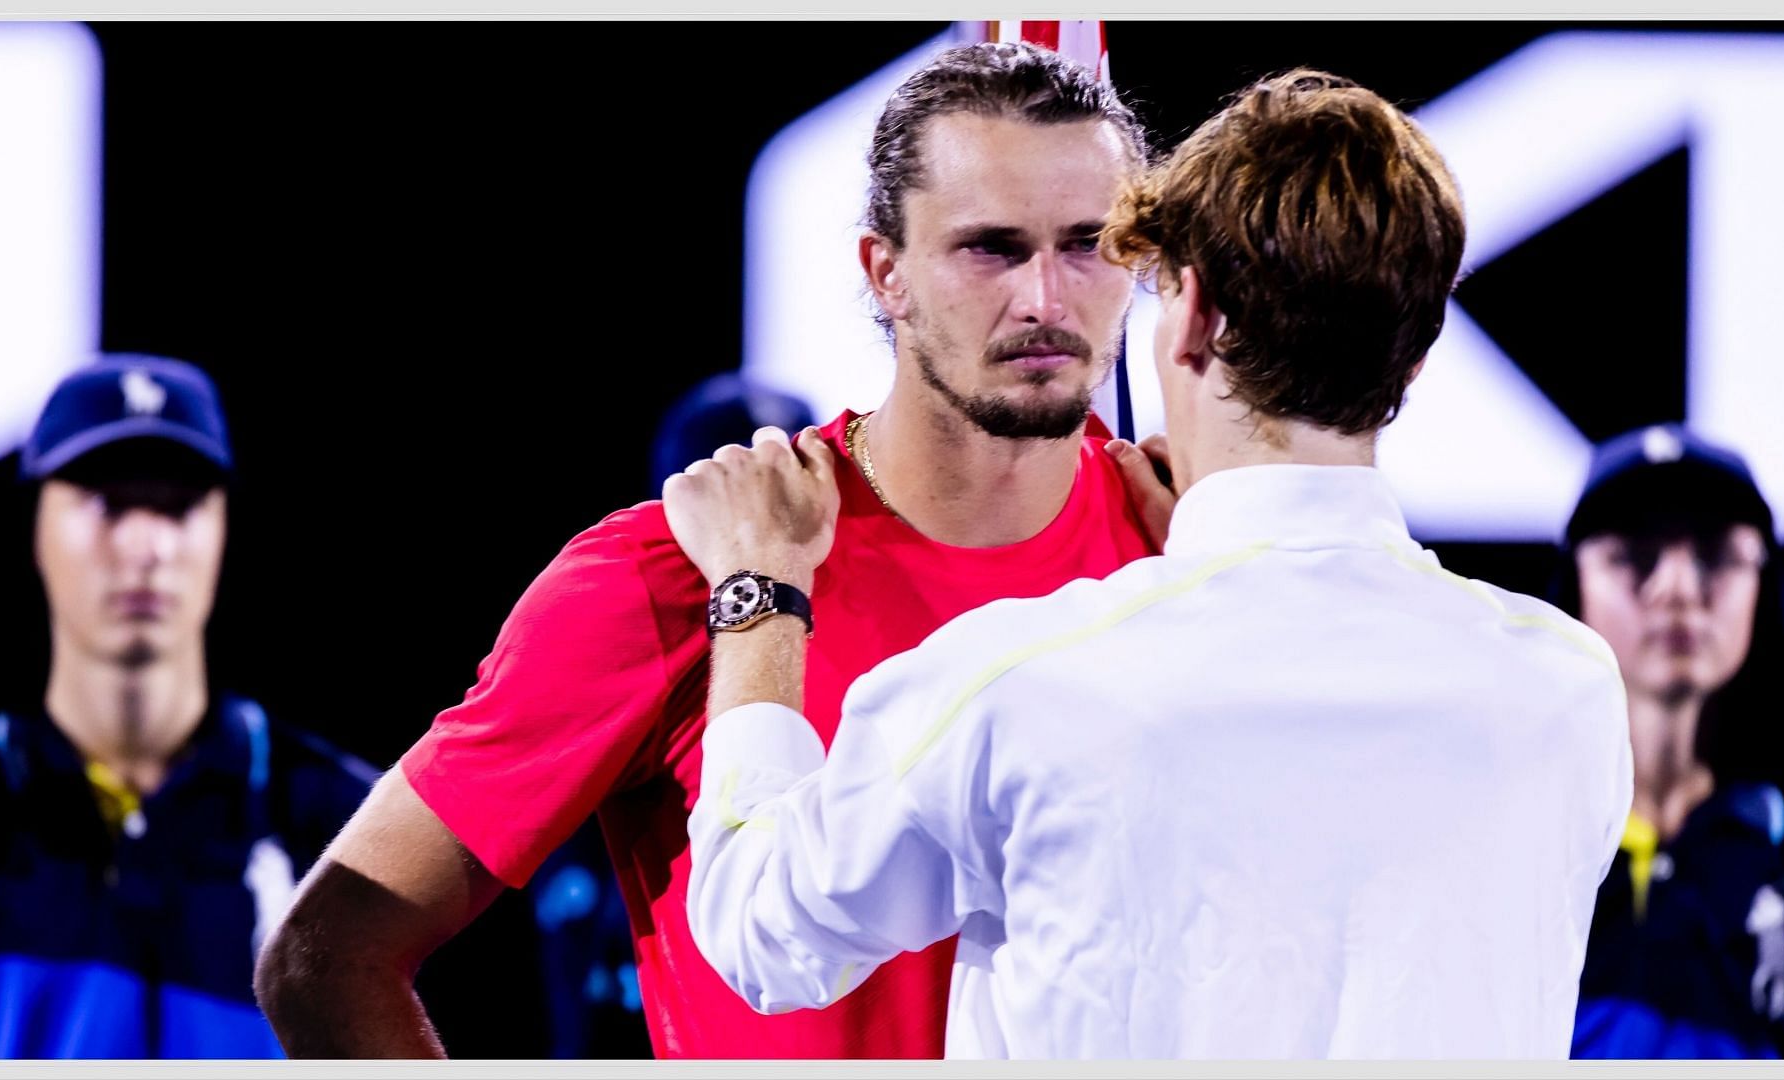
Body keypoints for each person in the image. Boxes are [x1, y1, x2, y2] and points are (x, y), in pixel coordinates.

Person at [665, 69, 1633, 1058]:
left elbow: (759, 931)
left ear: (1196, 314)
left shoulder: (1021, 684)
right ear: (1418, 354)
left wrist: (760, 588)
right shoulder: (1569, 692)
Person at [255, 41, 1164, 1059]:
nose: (1046, 299)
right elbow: (327, 955)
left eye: (1089, 243)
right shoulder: (675, 571)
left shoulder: (1185, 553)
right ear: (886, 273)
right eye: (991, 247)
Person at [0, 355, 377, 1058]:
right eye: (107, 502)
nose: (147, 546)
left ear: (224, 527)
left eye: (178, 504)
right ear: (35, 526)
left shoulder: (354, 832)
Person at [1559, 424, 1784, 1058]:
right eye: (1634, 554)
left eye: (1715, 554)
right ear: (1573, 584)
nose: (1676, 589)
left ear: (1764, 584)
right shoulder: (1506, 830)